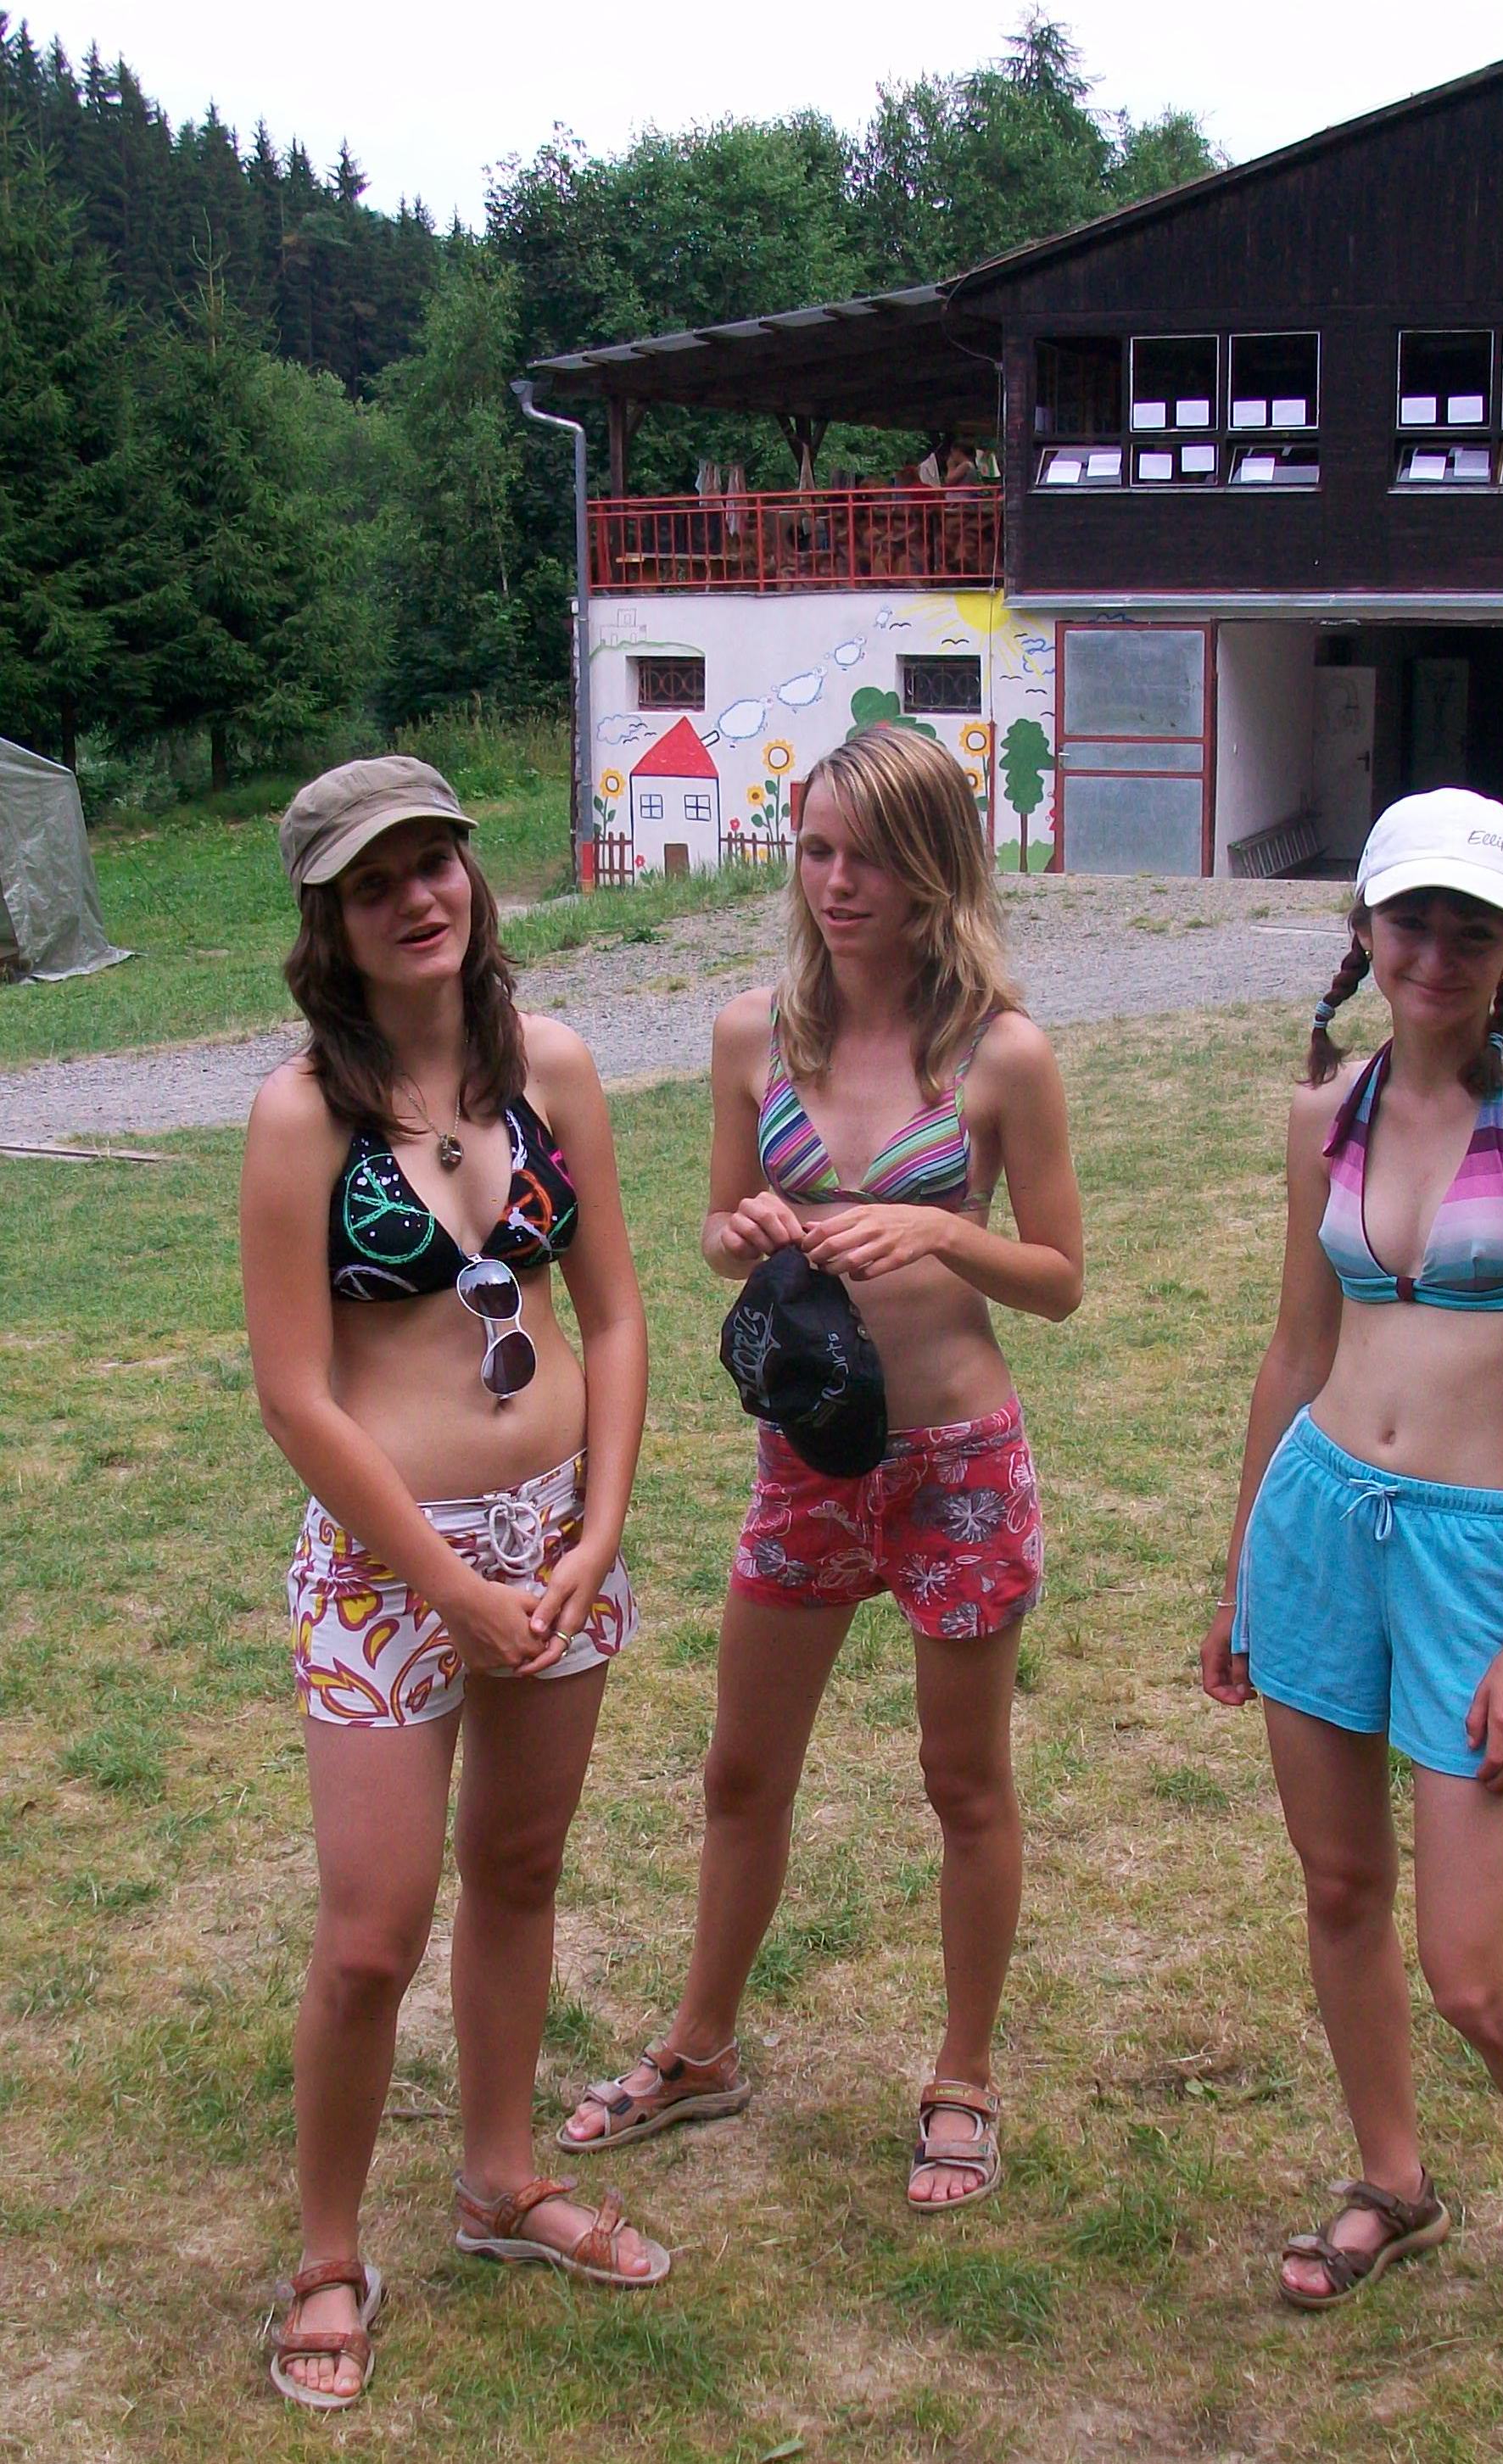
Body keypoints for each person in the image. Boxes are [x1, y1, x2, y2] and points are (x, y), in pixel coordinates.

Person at [1199, 790, 1503, 2357]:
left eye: (1469, 927)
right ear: (1362, 929)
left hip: (1474, 1552)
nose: (1434, 951)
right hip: (1317, 1522)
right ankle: (1391, 2180)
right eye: (1409, 918)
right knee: (1340, 1887)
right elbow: (1296, 1345)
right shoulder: (1323, 1113)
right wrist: (1238, 1567)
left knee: (1471, 1970)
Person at [559, 725, 1084, 2209]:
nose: (837, 883)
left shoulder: (999, 1053)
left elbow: (1057, 1278)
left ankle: (962, 2077)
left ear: (933, 868)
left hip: (955, 1460)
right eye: (816, 850)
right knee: (741, 1770)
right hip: (806, 1455)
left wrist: (939, 1227)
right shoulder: (754, 1036)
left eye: (869, 855)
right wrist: (739, 1232)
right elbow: (720, 1226)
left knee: (962, 1780)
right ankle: (700, 2046)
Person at [242, 757, 666, 2414]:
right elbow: (297, 1394)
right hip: (385, 1560)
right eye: (375, 881)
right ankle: (325, 2255)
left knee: (519, 1866)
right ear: (330, 922)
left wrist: (595, 1530)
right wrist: (445, 1584)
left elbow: (612, 1313)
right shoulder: (303, 1114)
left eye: (435, 863)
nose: (416, 898)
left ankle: (500, 2177)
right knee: (371, 1933)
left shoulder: (548, 1065)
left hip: (554, 1535)